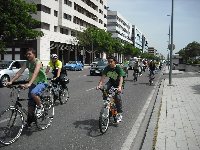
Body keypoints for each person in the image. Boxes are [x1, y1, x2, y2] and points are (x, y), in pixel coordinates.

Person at [6, 48, 48, 127]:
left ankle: (40, 107)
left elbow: (35, 73)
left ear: (34, 54)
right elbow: (19, 73)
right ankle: (30, 121)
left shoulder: (37, 62)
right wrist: (11, 81)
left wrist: (29, 84)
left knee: (33, 93)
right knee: (30, 105)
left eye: (29, 54)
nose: (28, 55)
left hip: (41, 82)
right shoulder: (27, 63)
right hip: (33, 83)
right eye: (27, 54)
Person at [96, 56, 124, 123]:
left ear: (115, 61)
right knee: (104, 89)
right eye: (108, 62)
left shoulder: (118, 68)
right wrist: (99, 85)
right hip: (111, 82)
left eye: (111, 61)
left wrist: (119, 87)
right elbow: (103, 78)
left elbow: (121, 78)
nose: (109, 63)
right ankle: (107, 103)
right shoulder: (107, 68)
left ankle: (119, 114)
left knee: (117, 97)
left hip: (118, 83)